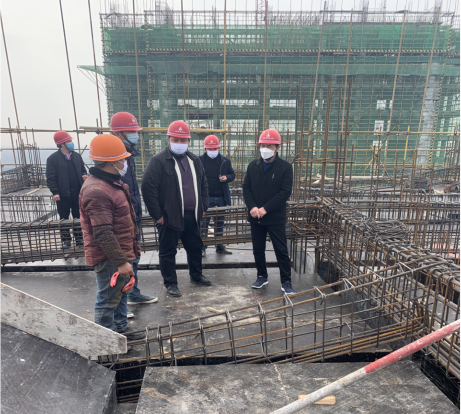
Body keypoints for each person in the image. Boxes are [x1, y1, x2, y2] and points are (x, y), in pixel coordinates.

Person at [79, 134, 144, 340]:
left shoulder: (110, 182)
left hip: (120, 251)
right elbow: (103, 232)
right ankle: (106, 340)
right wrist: (121, 261)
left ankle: (120, 329)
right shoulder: (97, 190)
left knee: (121, 293)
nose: (125, 162)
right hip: (110, 257)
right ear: (112, 162)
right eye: (123, 159)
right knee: (107, 300)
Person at [141, 120, 211, 298]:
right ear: (169, 139)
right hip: (169, 217)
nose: (179, 143)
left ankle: (196, 275)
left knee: (195, 247)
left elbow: (203, 184)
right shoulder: (158, 161)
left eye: (183, 140)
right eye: (175, 140)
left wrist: (204, 206)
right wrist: (157, 214)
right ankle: (171, 283)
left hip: (192, 216)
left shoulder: (194, 160)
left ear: (189, 141)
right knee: (167, 252)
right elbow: (148, 188)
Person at [110, 112, 158, 311]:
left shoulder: (128, 155)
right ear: (118, 133)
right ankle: (118, 308)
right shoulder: (113, 157)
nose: (135, 135)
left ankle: (132, 294)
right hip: (121, 219)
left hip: (132, 215)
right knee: (121, 261)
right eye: (131, 131)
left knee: (133, 258)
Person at [242, 129, 295, 295]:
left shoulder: (285, 168)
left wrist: (265, 209)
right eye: (263, 145)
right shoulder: (253, 166)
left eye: (269, 146)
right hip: (255, 216)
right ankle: (261, 276)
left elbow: (284, 192)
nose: (265, 149)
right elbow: (246, 188)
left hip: (274, 217)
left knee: (281, 250)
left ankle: (286, 281)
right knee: (258, 249)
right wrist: (252, 207)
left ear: (277, 147)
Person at [46, 131, 87, 248]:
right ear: (61, 144)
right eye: (68, 141)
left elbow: (82, 170)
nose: (71, 143)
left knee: (78, 216)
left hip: (77, 192)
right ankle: (66, 241)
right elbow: (51, 177)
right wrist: (55, 192)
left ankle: (79, 239)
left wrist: (84, 176)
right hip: (63, 194)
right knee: (64, 218)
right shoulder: (53, 159)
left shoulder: (77, 156)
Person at [199, 135, 235, 256]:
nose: (213, 151)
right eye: (210, 149)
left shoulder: (225, 161)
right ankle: (202, 246)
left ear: (218, 148)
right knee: (203, 223)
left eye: (215, 149)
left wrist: (227, 177)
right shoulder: (199, 161)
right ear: (205, 148)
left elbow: (232, 175)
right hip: (206, 198)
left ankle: (219, 245)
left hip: (221, 198)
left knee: (219, 223)